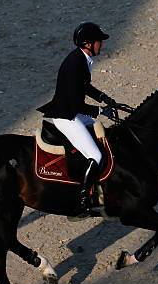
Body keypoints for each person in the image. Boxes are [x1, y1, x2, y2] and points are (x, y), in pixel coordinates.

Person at [37, 22, 117, 213]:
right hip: (67, 117)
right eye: (99, 41)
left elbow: (84, 87)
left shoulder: (82, 59)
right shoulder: (75, 63)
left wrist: (103, 97)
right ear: (88, 44)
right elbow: (75, 104)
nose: (101, 45)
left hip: (72, 112)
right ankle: (82, 200)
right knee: (96, 156)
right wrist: (99, 110)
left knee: (99, 129)